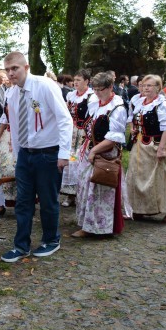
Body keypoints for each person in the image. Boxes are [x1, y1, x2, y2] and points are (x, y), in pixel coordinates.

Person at [0, 52, 72, 262]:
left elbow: (64, 119)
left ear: (26, 67)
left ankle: (51, 240)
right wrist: (17, 151)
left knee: (48, 200)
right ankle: (21, 245)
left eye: (15, 68)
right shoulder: (12, 93)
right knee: (23, 201)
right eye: (8, 69)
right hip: (25, 154)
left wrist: (64, 154)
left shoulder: (45, 86)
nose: (11, 73)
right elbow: (14, 123)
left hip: (47, 153)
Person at [72, 72, 127, 238]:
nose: (96, 93)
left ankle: (98, 226)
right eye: (94, 89)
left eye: (100, 89)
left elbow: (113, 138)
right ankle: (87, 223)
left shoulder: (117, 108)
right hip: (90, 150)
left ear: (110, 87)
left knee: (99, 189)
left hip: (105, 154)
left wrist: (95, 150)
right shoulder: (96, 104)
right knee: (86, 188)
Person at [126, 74, 166, 222]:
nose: (146, 88)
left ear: (158, 88)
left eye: (149, 85)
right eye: (144, 85)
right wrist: (133, 128)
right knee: (137, 176)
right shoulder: (138, 102)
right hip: (139, 145)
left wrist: (162, 148)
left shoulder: (162, 104)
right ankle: (140, 208)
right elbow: (131, 118)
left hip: (156, 144)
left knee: (162, 178)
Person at [60, 69, 95, 207]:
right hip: (71, 133)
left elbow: (92, 117)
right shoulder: (70, 95)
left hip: (83, 134)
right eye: (75, 80)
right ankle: (70, 194)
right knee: (70, 161)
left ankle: (81, 193)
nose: (75, 83)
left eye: (79, 80)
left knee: (80, 162)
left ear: (87, 81)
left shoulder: (91, 96)